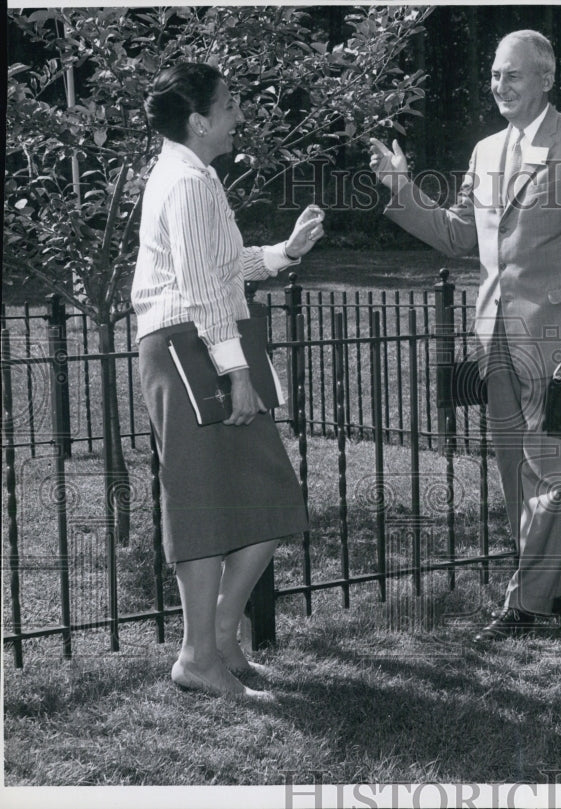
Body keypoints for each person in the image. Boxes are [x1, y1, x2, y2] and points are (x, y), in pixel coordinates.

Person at [370, 30, 561, 642]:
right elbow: (460, 237)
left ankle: (527, 602)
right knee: (517, 470)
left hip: (556, 332)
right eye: (495, 75)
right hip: (494, 334)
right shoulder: (484, 152)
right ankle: (556, 587)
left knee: (549, 468)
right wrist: (401, 187)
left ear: (546, 78)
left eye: (513, 75)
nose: (499, 85)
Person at [133, 62, 325, 699]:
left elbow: (218, 267)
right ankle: (200, 655)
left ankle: (217, 639)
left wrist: (284, 253)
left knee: (266, 498)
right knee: (204, 503)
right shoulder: (186, 181)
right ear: (199, 120)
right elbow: (196, 289)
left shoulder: (195, 175)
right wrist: (236, 371)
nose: (240, 112)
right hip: (191, 348)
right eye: (231, 102)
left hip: (206, 342)